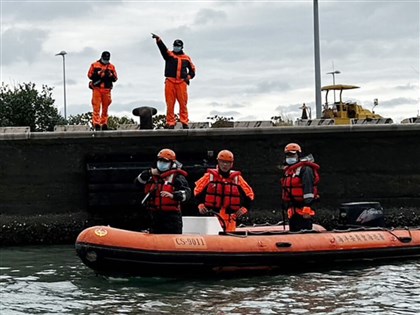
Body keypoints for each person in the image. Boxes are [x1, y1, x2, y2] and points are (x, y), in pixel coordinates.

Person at [194, 150, 254, 232]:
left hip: (230, 217)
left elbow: (249, 195)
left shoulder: (237, 178)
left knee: (230, 241)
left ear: (232, 164)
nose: (225, 165)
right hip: (212, 216)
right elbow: (197, 192)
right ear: (218, 162)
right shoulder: (209, 176)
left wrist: (245, 208)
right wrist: (200, 205)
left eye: (228, 162)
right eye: (222, 162)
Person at [134, 148, 191, 234]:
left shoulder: (177, 177)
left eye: (164, 161)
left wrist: (173, 195)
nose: (161, 163)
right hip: (154, 215)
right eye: (160, 160)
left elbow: (187, 193)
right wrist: (149, 173)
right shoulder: (151, 175)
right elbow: (137, 183)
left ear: (171, 163)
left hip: (171, 218)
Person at [151, 33, 196, 129]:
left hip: (181, 83)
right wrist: (158, 40)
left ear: (182, 47)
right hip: (170, 82)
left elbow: (193, 70)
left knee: (183, 103)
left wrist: (188, 77)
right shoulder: (169, 55)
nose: (176, 48)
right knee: (170, 104)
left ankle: (184, 121)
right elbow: (163, 49)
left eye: (178, 46)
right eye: (175, 46)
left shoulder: (186, 58)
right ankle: (170, 122)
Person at [281, 143, 320, 232]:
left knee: (304, 230)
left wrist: (307, 206)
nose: (290, 157)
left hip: (303, 208)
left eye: (293, 155)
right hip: (293, 208)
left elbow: (308, 190)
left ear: (298, 155)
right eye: (288, 155)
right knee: (294, 230)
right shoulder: (289, 171)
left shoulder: (305, 169)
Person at [87, 51, 118, 131]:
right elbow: (89, 75)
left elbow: (115, 78)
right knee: (96, 107)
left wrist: (110, 75)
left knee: (105, 107)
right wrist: (98, 73)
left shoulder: (111, 67)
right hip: (97, 89)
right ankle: (96, 123)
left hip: (107, 90)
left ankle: (104, 123)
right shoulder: (94, 65)